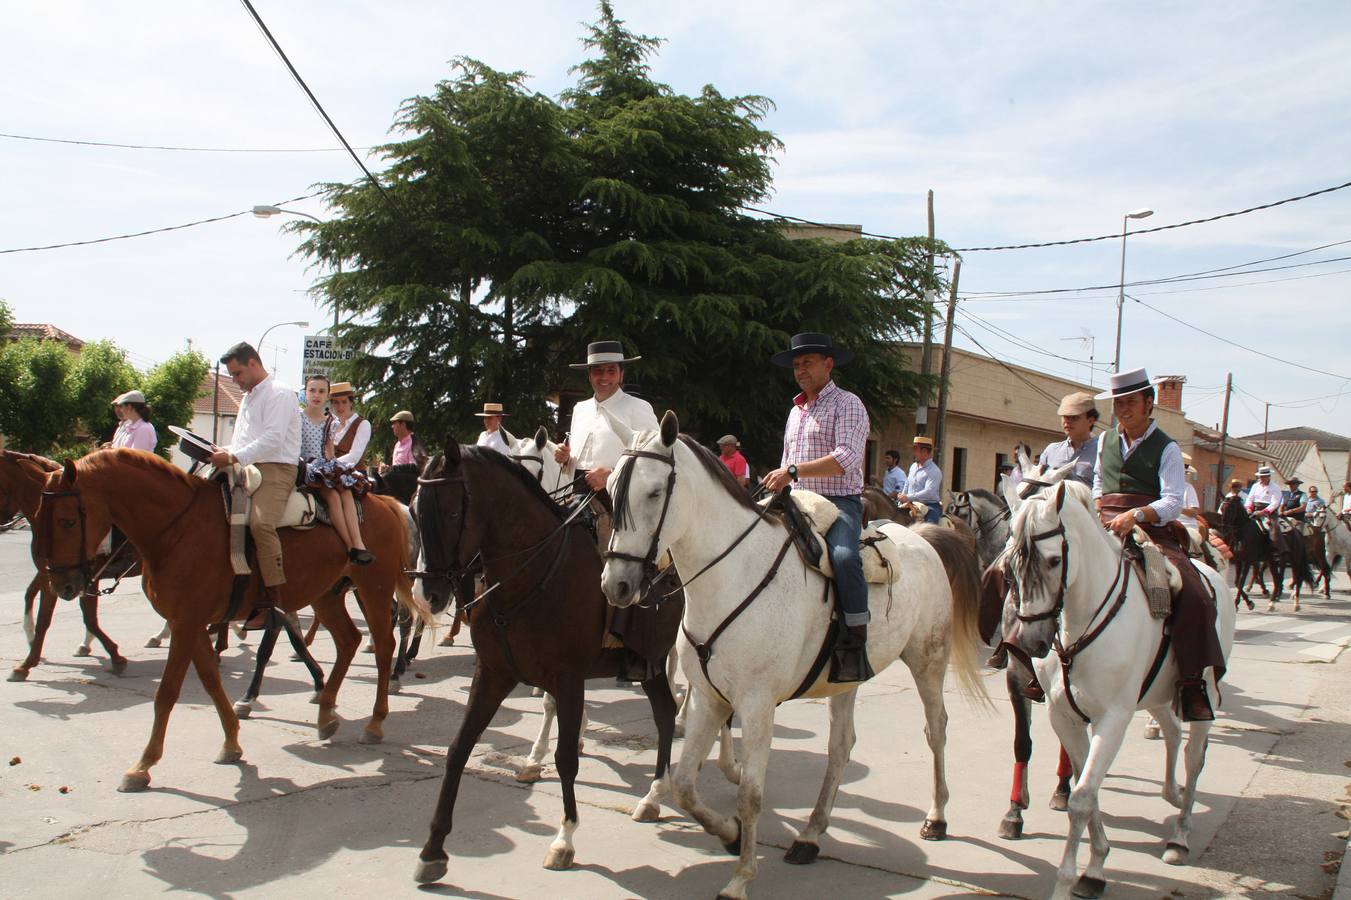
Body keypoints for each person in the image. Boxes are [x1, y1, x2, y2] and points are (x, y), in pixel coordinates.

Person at [1092, 367, 1225, 722]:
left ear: (1149, 402)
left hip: (1151, 530)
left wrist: (1136, 515)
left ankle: (1192, 681)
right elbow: (1096, 486)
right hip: (1103, 524)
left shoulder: (1166, 447)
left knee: (1193, 591)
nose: (1123, 408)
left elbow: (1171, 502)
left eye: (1130, 401)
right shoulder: (1105, 442)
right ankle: (1031, 657)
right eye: (1118, 402)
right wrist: (1094, 507)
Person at [762, 332, 872, 683]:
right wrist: (781, 481)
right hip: (796, 501)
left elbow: (847, 458)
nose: (800, 370)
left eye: (808, 362)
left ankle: (855, 637)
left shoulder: (848, 403)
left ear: (829, 364)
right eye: (796, 364)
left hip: (838, 502)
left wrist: (793, 472)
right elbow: (786, 460)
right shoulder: (795, 411)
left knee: (843, 556)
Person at [209, 342, 302, 629]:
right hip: (246, 465)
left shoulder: (280, 392)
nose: (235, 380)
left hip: (277, 468)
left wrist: (234, 456)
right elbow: (242, 442)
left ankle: (274, 603)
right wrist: (220, 451)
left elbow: (273, 439)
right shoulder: (250, 397)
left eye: (237, 374)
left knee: (261, 525)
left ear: (252, 363)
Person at [554, 341, 659, 497]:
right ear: (589, 375)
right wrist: (565, 458)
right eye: (598, 370)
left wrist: (612, 475)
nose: (604, 376)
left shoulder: (638, 407)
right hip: (576, 494)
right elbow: (575, 463)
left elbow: (656, 460)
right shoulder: (580, 409)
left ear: (621, 374)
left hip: (620, 498)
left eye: (611, 370)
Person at [307, 381, 374, 566]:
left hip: (352, 472)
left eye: (344, 402)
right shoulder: (330, 423)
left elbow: (354, 455)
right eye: (336, 402)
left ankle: (356, 543)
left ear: (351, 402)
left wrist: (329, 465)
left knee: (343, 493)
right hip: (326, 470)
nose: (340, 407)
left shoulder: (363, 424)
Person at [1037, 392, 1099, 486]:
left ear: (1090, 421)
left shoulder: (1102, 452)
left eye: (1074, 417)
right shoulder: (1051, 451)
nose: (1067, 422)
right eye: (1064, 417)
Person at [897, 436, 943, 523]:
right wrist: (902, 497)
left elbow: (928, 493)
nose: (914, 453)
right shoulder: (913, 466)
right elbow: (907, 484)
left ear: (925, 451)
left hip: (929, 505)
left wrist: (907, 497)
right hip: (910, 503)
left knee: (928, 529)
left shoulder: (934, 471)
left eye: (915, 449)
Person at [1245, 466, 1283, 537]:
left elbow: (1275, 503)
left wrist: (1263, 512)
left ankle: (1278, 547)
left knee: (1274, 531)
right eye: (1260, 477)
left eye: (1263, 477)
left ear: (1269, 476)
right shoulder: (1255, 486)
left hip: (1269, 513)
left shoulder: (1275, 487)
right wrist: (1249, 508)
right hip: (1254, 511)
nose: (1261, 478)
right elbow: (1249, 498)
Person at [1178, 454, 1202, 530]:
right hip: (1165, 523)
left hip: (1186, 525)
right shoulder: (1162, 485)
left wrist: (1177, 509)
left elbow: (1194, 512)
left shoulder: (1188, 487)